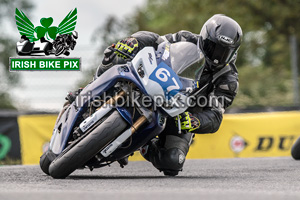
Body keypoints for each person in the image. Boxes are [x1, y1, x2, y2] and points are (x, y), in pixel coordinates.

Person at [94, 14, 242, 175]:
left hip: (180, 114)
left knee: (172, 161)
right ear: (205, 38)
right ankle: (89, 90)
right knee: (117, 52)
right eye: (213, 47)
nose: (216, 56)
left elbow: (215, 117)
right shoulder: (185, 38)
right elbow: (156, 41)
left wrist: (194, 121)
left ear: (233, 52)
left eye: (223, 52)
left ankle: (143, 146)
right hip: (152, 85)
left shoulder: (228, 80)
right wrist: (134, 42)